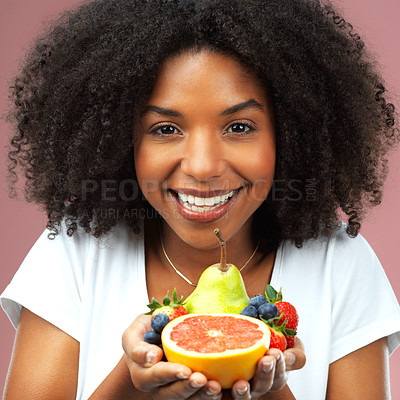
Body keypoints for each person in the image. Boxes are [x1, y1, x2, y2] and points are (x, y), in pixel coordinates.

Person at [1, 0, 400, 398]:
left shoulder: (340, 262)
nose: (203, 166)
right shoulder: (76, 251)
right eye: (166, 128)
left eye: (239, 126)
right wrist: (132, 379)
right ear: (123, 139)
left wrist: (268, 389)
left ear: (292, 135)